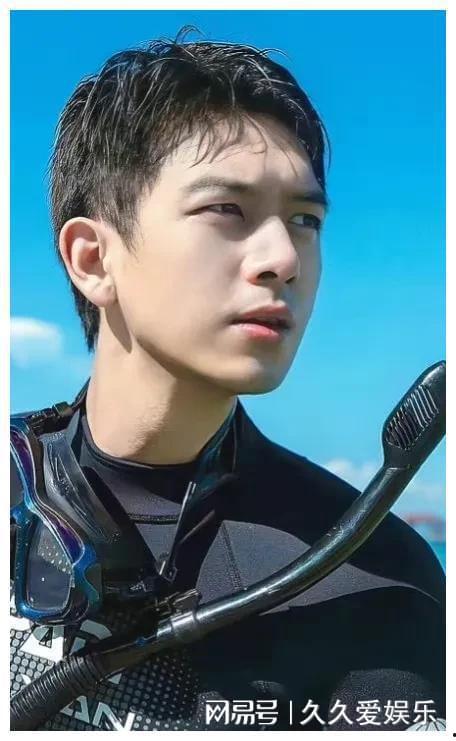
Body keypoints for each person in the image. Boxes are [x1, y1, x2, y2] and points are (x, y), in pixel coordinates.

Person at [10, 29, 445, 731]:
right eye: (226, 210)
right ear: (92, 259)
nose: (283, 258)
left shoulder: (379, 578)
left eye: (305, 220)